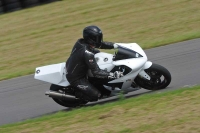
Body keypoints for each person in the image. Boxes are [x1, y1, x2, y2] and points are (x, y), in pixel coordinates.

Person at [66, 25, 122, 102]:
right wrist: (112, 75)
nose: (98, 40)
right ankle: (78, 94)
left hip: (75, 65)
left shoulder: (81, 41)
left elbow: (101, 45)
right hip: (77, 78)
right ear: (90, 39)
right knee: (96, 96)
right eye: (96, 38)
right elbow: (97, 72)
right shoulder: (87, 53)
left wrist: (116, 46)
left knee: (98, 53)